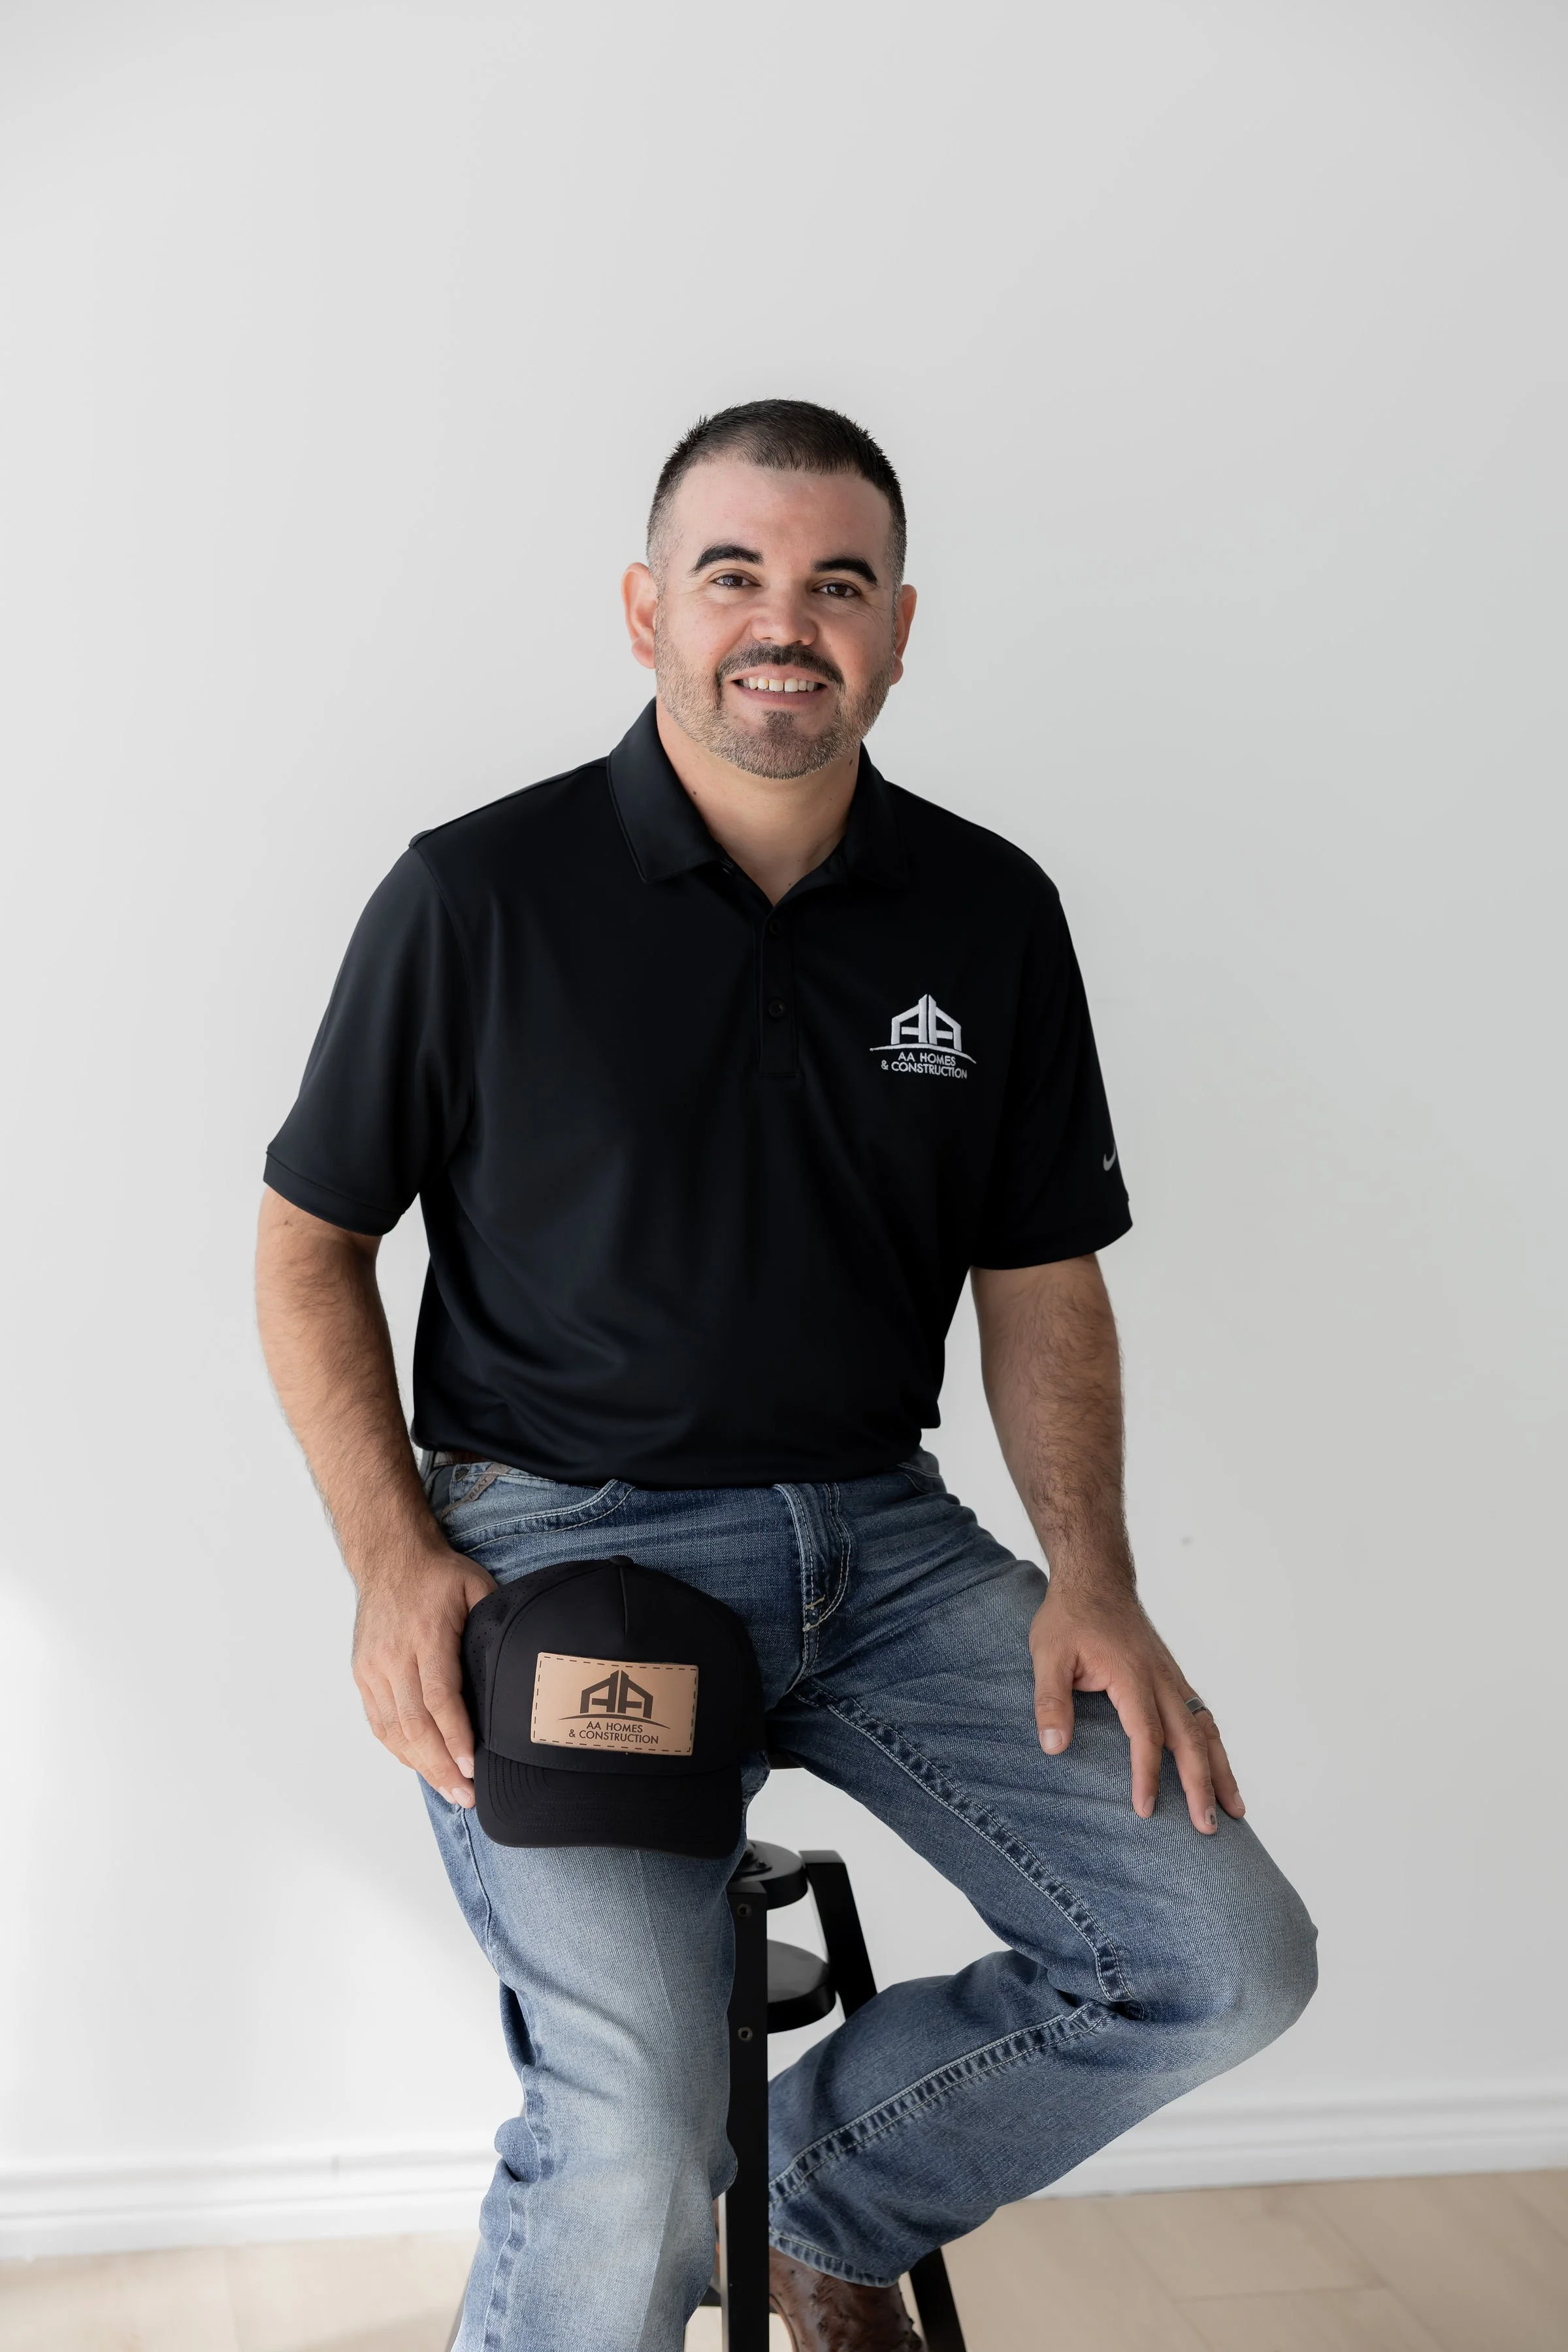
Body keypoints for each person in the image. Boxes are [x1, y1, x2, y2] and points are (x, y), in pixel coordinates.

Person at [255, 399, 1316, 2352]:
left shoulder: (988, 915)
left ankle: (831, 2199)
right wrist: (393, 1562)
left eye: (837, 585)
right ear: (649, 608)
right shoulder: (478, 897)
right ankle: (703, 2205)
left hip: (887, 1549)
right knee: (639, 2138)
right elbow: (309, 1241)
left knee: (1224, 1956)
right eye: (735, 574)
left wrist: (1095, 1581)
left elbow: (1040, 1273)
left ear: (900, 629)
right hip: (574, 1560)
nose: (784, 621)